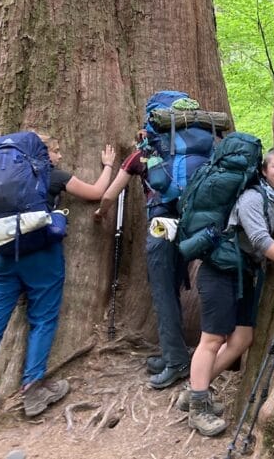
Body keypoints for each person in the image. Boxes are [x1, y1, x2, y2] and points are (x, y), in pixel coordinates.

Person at [0, 133, 116, 426]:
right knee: (43, 319)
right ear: (43, 152)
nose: (59, 156)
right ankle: (33, 390)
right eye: (56, 150)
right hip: (40, 254)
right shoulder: (53, 175)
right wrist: (108, 166)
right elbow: (95, 192)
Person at [184, 146, 274, 437]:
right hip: (219, 273)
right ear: (264, 171)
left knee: (242, 338)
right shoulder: (253, 197)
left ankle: (194, 391)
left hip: (243, 275)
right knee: (212, 339)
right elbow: (259, 239)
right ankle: (198, 408)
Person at [95, 129, 194, 389]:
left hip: (161, 228)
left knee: (163, 293)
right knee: (171, 290)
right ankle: (174, 352)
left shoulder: (140, 156)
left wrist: (101, 212)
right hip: (189, 229)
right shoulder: (191, 151)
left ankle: (176, 362)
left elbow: (110, 194)